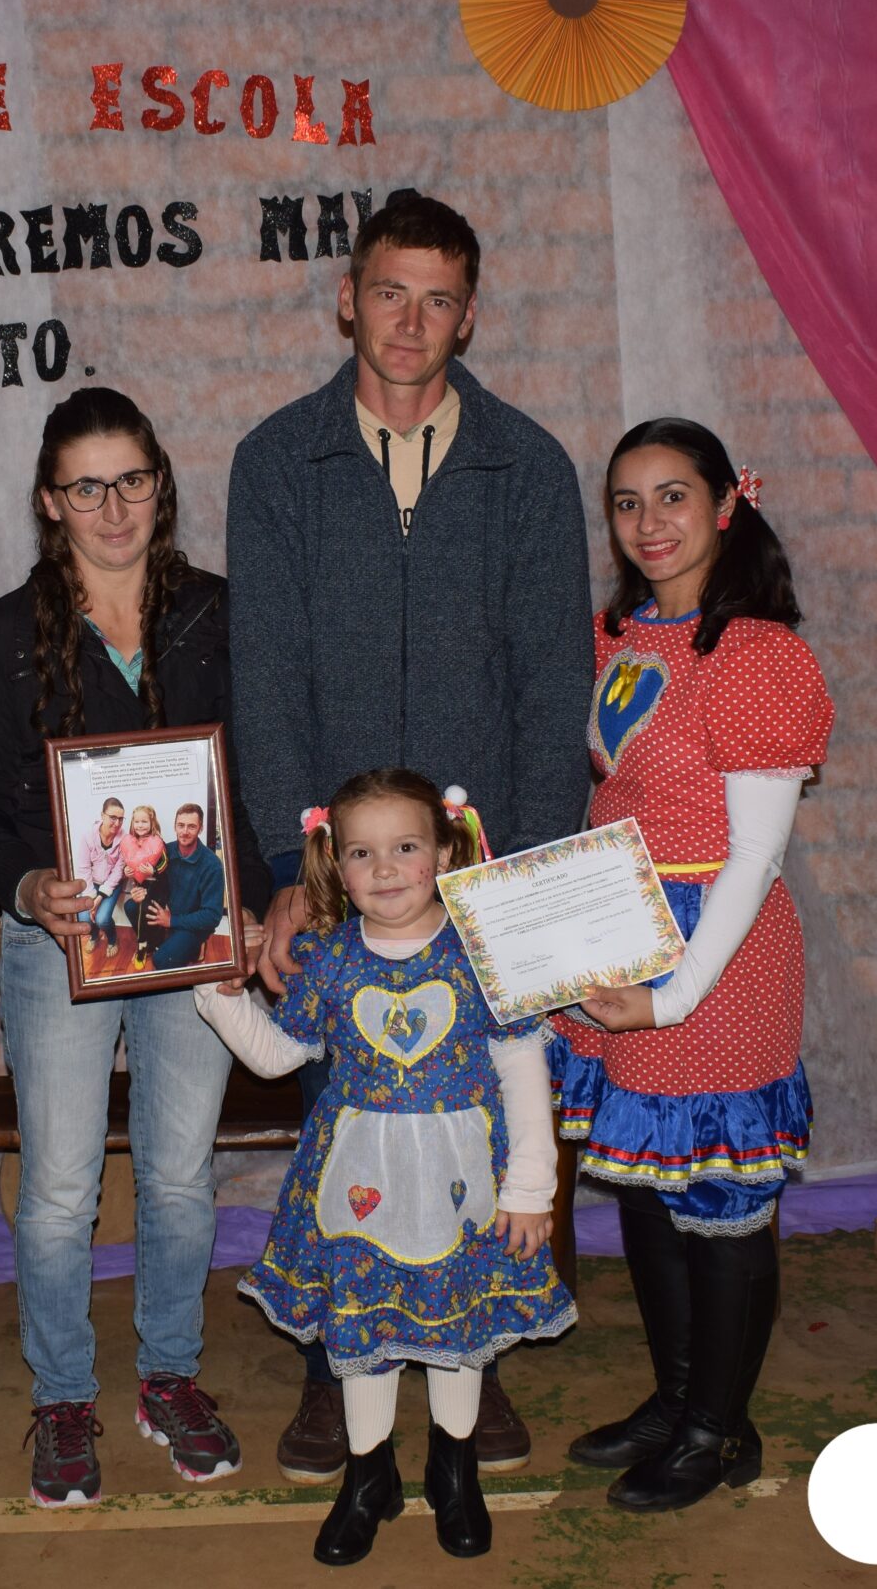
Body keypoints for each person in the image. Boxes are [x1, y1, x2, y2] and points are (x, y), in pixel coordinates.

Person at [226, 192, 590, 1478]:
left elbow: (555, 682)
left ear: (469, 313)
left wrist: (530, 882)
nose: (411, 322)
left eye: (439, 298)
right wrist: (287, 865)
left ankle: (467, 1365)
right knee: (349, 1111)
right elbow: (258, 676)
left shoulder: (526, 467)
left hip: (477, 870)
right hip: (341, 861)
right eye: (391, 291)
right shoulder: (278, 461)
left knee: (484, 1110)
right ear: (347, 296)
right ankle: (341, 1365)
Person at [0, 386, 272, 1507]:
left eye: (131, 479)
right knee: (60, 1189)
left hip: (193, 940)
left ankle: (168, 1378)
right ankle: (64, 1396)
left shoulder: (222, 613)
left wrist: (259, 909)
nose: (113, 505)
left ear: (160, 485)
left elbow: (262, 784)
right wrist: (26, 885)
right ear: (50, 501)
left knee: (182, 1178)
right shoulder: (7, 631)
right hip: (63, 948)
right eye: (86, 486)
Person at [551, 419, 833, 1513]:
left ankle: (720, 1429)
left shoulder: (758, 654)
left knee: (717, 1196)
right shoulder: (615, 635)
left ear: (725, 505)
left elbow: (756, 858)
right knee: (650, 1188)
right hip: (622, 943)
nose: (648, 522)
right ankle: (676, 1401)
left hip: (714, 956)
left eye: (673, 496)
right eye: (626, 501)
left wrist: (668, 996)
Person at [196, 768, 574, 1566]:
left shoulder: (482, 955)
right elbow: (276, 1054)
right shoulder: (329, 958)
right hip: (356, 1183)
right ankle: (368, 1480)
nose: (386, 868)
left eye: (405, 847)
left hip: (463, 1180)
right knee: (365, 1324)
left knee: (456, 1324)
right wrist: (217, 993)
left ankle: (454, 1468)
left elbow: (520, 1063)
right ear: (337, 863)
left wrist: (532, 1185)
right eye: (363, 853)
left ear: (444, 849)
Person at [143, 802, 227, 968]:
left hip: (194, 925)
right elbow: (158, 881)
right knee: (132, 906)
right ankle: (163, 939)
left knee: (160, 961)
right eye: (181, 825)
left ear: (200, 829)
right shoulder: (166, 850)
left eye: (191, 827)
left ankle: (196, 946)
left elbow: (212, 916)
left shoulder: (213, 865)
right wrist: (142, 889)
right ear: (175, 825)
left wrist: (172, 921)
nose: (185, 832)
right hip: (171, 912)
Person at [72, 798, 127, 971]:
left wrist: (101, 897)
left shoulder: (125, 839)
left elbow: (118, 872)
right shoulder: (87, 836)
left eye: (120, 819)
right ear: (102, 815)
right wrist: (91, 897)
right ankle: (94, 936)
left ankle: (112, 939)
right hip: (91, 884)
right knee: (84, 918)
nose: (117, 823)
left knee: (102, 918)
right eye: (112, 817)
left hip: (112, 884)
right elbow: (83, 869)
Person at [114, 804, 168, 967]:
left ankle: (143, 946)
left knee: (144, 908)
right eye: (137, 821)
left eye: (144, 821)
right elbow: (127, 864)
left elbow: (165, 864)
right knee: (131, 907)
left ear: (152, 823)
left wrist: (154, 870)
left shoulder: (158, 841)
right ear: (132, 823)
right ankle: (150, 941)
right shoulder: (129, 842)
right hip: (141, 887)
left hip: (159, 888)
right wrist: (127, 871)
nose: (140, 825)